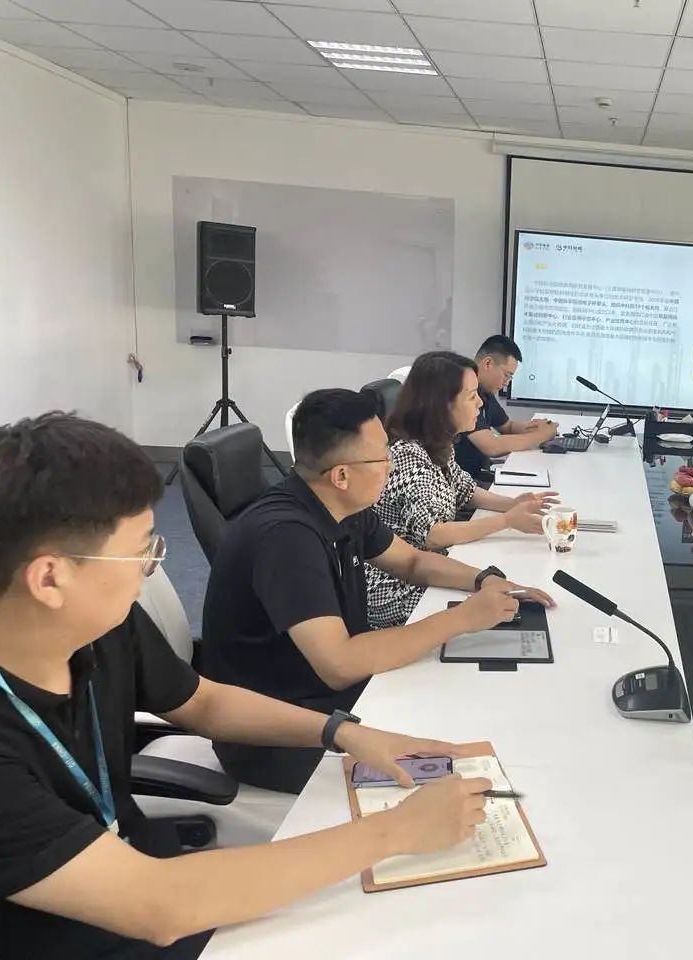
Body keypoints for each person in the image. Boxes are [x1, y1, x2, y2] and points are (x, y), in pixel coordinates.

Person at [0, 413, 492, 959]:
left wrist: (343, 733)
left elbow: (202, 701)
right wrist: (395, 832)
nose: (150, 568)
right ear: (50, 578)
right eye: (141, 552)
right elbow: (157, 906)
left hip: (140, 872)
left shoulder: (98, 628)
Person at [200, 388, 553, 793]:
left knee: (471, 701)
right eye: (382, 456)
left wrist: (484, 579)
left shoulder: (341, 507)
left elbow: (412, 561)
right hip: (284, 735)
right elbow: (340, 664)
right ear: (341, 475)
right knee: (471, 767)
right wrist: (460, 619)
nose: (392, 464)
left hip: (332, 703)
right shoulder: (287, 538)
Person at [368, 352, 557, 628]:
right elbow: (434, 535)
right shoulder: (409, 456)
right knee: (502, 607)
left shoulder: (437, 442)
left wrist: (513, 504)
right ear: (441, 405)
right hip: (396, 586)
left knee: (509, 586)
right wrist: (506, 520)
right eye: (471, 396)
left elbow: (465, 490)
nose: (480, 402)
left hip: (432, 566)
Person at [454, 335, 557, 476]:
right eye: (506, 375)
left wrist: (536, 426)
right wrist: (541, 435)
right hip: (465, 478)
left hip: (472, 476)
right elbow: (491, 446)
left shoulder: (485, 392)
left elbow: (507, 427)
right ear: (488, 363)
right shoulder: (463, 396)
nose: (507, 383)